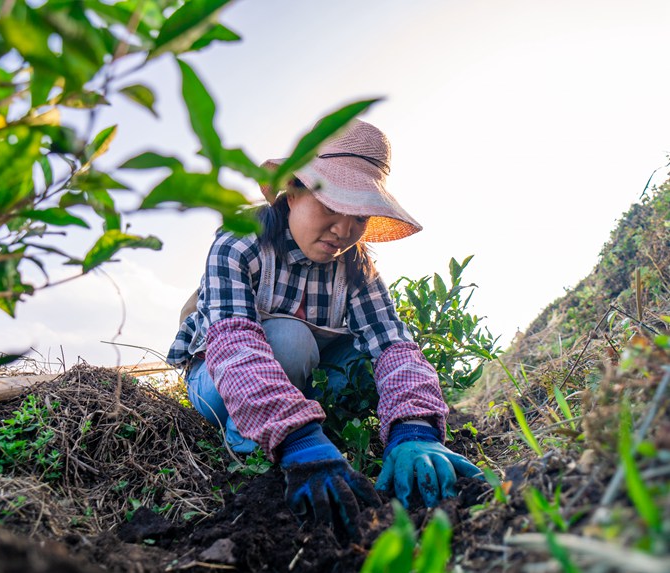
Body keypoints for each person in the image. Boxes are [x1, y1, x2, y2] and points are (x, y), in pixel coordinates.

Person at [166, 119, 481, 533]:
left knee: (365, 362)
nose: (344, 230)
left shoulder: (356, 268)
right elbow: (234, 345)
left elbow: (393, 346)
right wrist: (299, 442)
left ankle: (312, 424)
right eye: (332, 206)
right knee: (289, 339)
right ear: (293, 191)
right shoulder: (240, 241)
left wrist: (414, 428)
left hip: (298, 382)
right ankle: (254, 448)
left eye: (359, 216)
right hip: (218, 381)